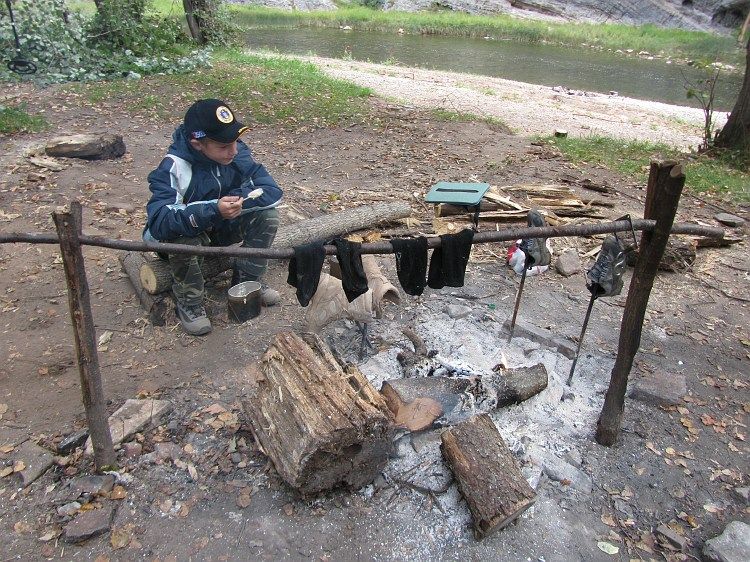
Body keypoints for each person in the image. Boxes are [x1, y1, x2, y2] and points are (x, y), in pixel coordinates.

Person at [144, 99, 283, 335]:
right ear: (197, 144)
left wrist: (237, 200)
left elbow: (271, 190)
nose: (234, 150)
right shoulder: (174, 166)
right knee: (185, 238)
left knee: (267, 216)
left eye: (235, 141)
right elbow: (159, 222)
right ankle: (189, 301)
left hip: (219, 228)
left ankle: (247, 281)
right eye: (224, 146)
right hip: (181, 238)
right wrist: (212, 209)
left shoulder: (236, 154)